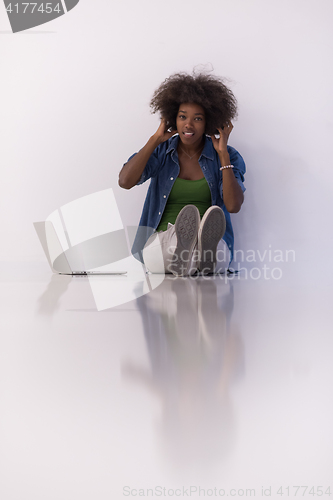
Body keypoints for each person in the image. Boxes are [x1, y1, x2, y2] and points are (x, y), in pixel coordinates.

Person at [119, 72, 246, 276]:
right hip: (162, 240)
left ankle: (198, 250)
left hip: (206, 246)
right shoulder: (160, 152)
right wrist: (155, 139)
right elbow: (125, 181)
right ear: (172, 119)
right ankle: (191, 252)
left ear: (209, 123)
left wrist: (223, 156)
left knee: (217, 253)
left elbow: (233, 205)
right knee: (171, 245)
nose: (188, 124)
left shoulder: (229, 156)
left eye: (198, 118)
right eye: (182, 116)